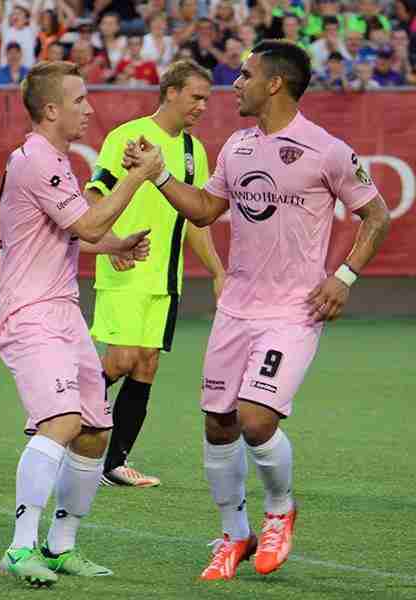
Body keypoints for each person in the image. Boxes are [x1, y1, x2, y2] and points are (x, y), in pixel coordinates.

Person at [124, 39, 390, 579]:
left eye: (245, 75)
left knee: (255, 417)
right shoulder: (237, 148)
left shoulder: (328, 149)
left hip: (294, 310)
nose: (234, 84)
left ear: (275, 83)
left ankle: (278, 511)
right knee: (218, 424)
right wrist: (158, 175)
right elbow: (205, 209)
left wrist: (343, 276)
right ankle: (232, 534)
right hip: (237, 309)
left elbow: (377, 215)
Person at [0, 60, 164, 586]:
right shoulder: (37, 161)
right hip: (30, 313)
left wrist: (114, 245)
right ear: (51, 110)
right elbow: (87, 220)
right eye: (80, 100)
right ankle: (20, 548)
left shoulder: (56, 161)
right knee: (63, 422)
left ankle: (61, 546)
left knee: (94, 431)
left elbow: (76, 232)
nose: (89, 108)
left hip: (63, 310)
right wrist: (139, 176)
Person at [85, 59, 225, 487]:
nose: (203, 106)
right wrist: (110, 243)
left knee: (145, 366)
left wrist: (219, 272)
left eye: (207, 98)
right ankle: (51, 414)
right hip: (125, 268)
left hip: (166, 278)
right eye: (196, 96)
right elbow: (94, 193)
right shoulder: (128, 136)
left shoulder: (192, 152)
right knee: (122, 360)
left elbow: (194, 222)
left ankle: (115, 463)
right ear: (171, 92)